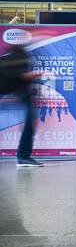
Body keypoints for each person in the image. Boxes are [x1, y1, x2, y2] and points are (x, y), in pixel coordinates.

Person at [0, 36, 42, 167]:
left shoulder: (20, 56)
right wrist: (37, 74)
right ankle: (23, 156)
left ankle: (23, 157)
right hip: (10, 86)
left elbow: (22, 77)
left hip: (20, 89)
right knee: (31, 118)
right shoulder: (16, 58)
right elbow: (22, 75)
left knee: (31, 118)